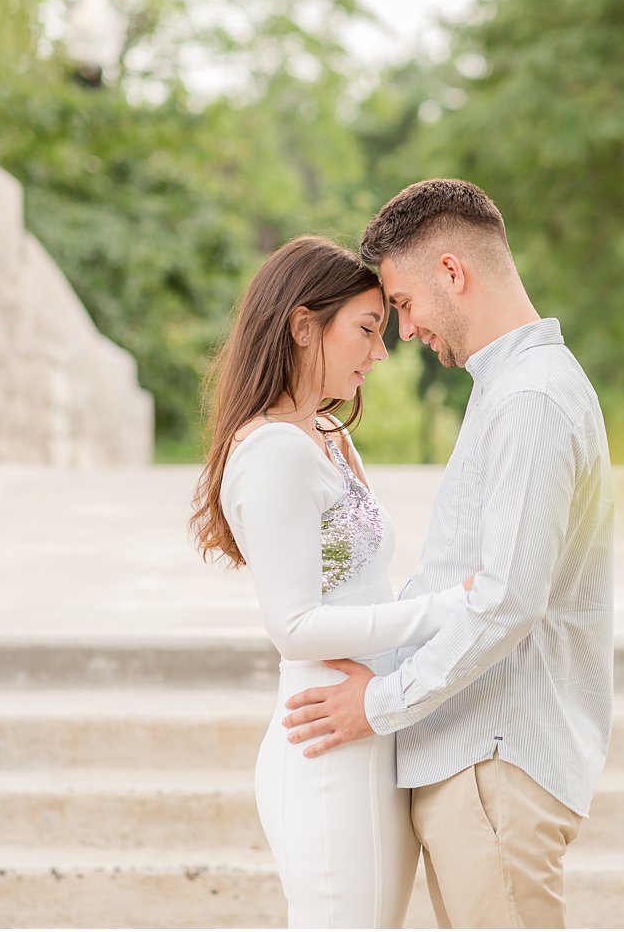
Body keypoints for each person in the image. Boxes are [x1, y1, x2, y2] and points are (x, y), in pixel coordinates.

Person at [280, 180, 615, 929]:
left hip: (492, 763)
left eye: (402, 303)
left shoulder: (529, 398)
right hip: (478, 763)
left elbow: (507, 600)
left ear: (453, 273)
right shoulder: (514, 389)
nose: (404, 331)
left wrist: (378, 703)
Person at [190, 235, 470, 928]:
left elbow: (365, 588)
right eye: (368, 330)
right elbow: (293, 625)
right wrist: (443, 612)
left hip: (366, 725)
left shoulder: (325, 435)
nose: (381, 352)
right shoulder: (274, 453)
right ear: (303, 324)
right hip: (325, 746)